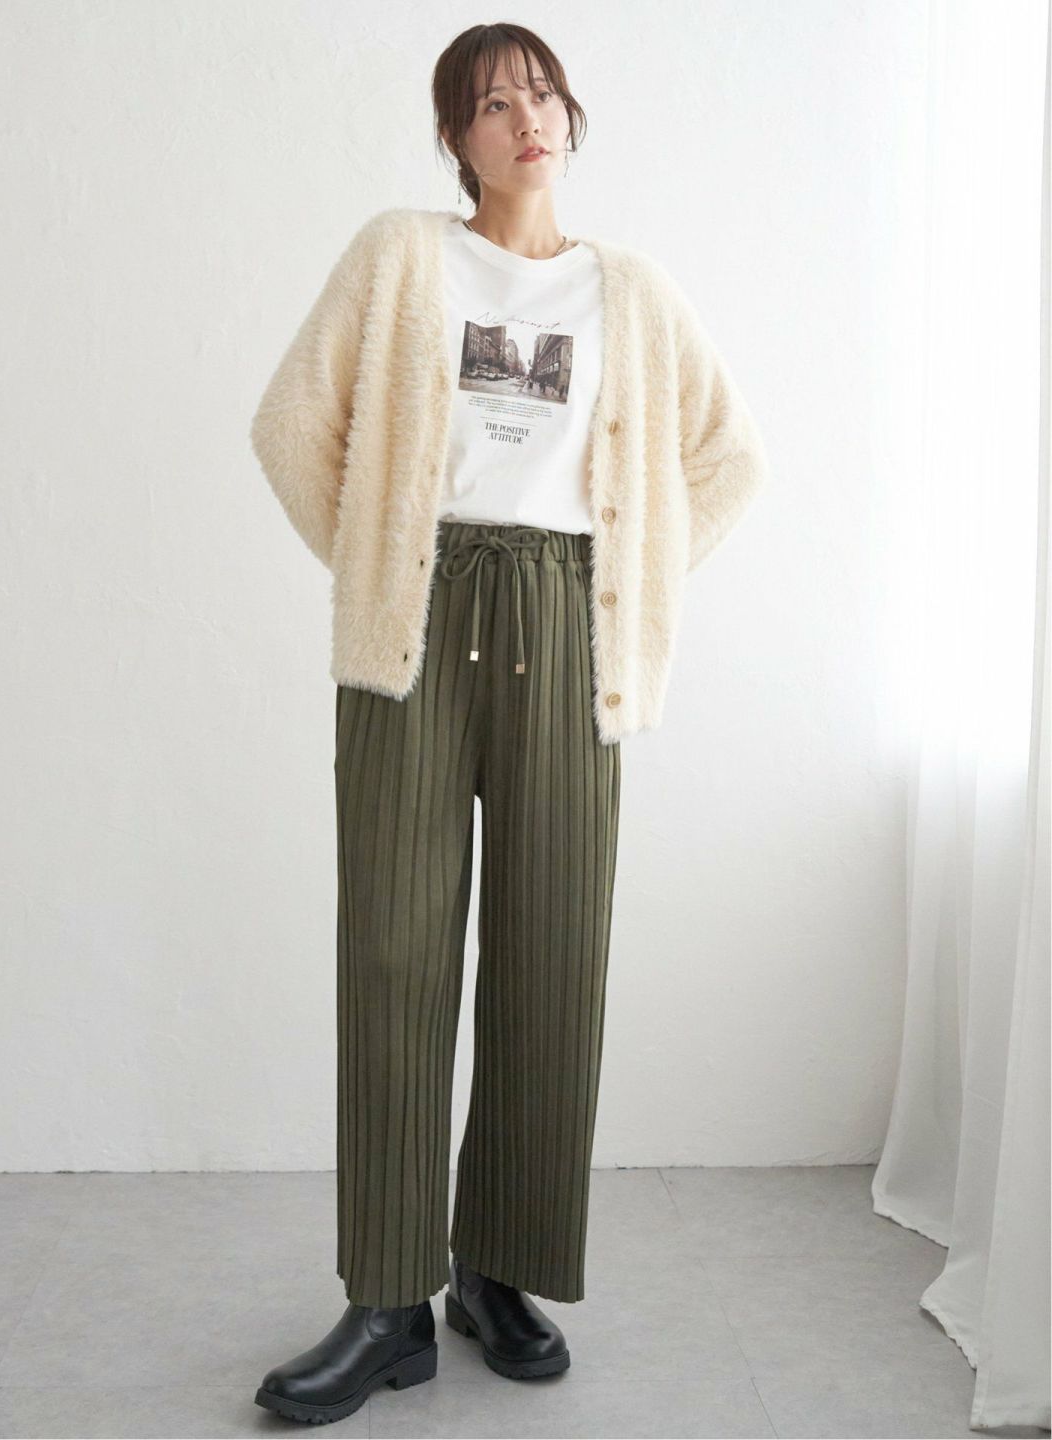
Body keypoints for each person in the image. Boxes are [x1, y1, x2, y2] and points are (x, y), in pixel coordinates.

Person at [250, 21, 770, 1426]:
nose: (524, 118)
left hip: (567, 626)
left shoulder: (632, 293)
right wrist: (382, 563)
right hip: (414, 629)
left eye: (541, 94)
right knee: (394, 952)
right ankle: (386, 1301)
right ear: (455, 138)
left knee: (553, 955)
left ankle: (500, 1269)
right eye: (491, 104)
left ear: (569, 116)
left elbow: (729, 457)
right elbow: (292, 425)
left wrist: (633, 577)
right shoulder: (399, 256)